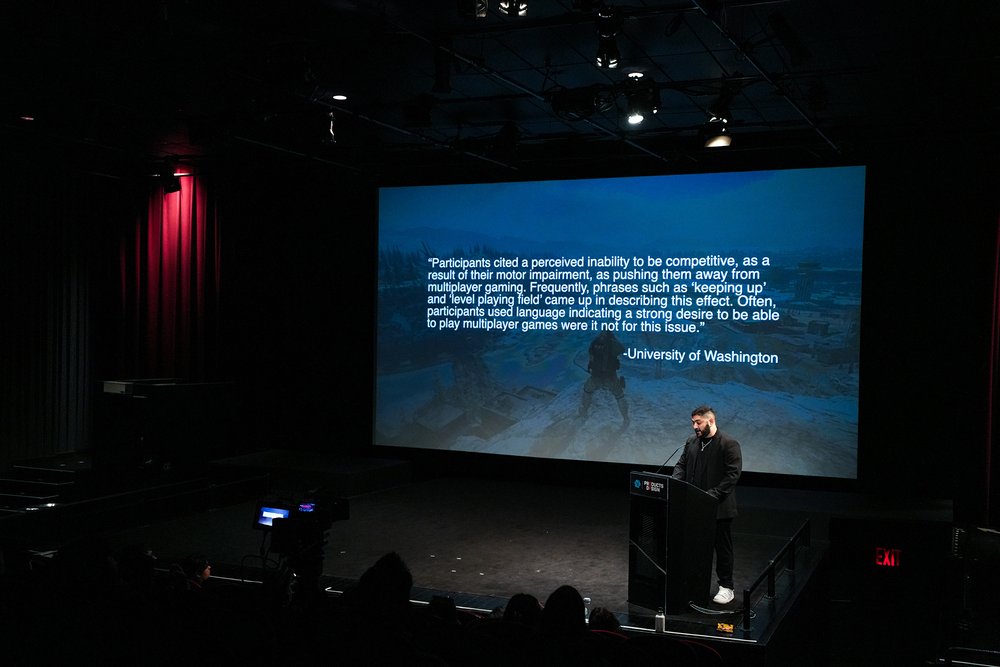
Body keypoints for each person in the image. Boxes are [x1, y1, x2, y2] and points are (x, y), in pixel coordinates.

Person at [671, 405, 742, 605]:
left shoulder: (728, 444)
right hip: (694, 507)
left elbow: (732, 475)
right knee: (694, 548)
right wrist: (676, 483)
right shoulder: (692, 442)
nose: (695, 426)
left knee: (722, 549)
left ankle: (726, 587)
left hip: (718, 508)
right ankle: (694, 584)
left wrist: (711, 496)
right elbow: (681, 465)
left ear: (710, 421)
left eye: (698, 422)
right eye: (693, 422)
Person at [579, 329, 629, 426]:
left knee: (587, 391)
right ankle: (625, 417)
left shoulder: (595, 342)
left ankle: (584, 411)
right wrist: (613, 339)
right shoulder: (612, 344)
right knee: (619, 396)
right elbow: (622, 349)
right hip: (610, 377)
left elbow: (591, 357)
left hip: (596, 376)